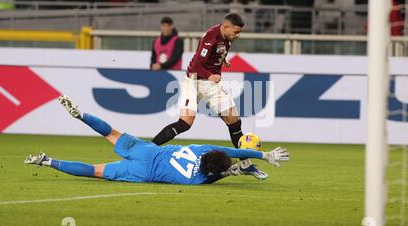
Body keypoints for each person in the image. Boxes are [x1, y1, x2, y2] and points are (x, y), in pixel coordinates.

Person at [24, 95, 290, 185]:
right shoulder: (199, 180)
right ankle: (47, 161)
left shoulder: (202, 148)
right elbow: (223, 172)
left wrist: (265, 156)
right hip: (143, 171)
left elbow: (228, 153)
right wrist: (238, 171)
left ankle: (81, 114)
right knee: (95, 171)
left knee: (111, 132)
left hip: (147, 151)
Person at [150, 13, 269, 180]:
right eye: (236, 32)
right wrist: (210, 75)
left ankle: (245, 164)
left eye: (240, 32)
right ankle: (148, 149)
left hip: (211, 84)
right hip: (194, 81)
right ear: (225, 27)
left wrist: (221, 60)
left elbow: (214, 54)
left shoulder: (227, 37)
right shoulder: (211, 38)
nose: (238, 35)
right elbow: (197, 64)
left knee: (234, 122)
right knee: (185, 123)